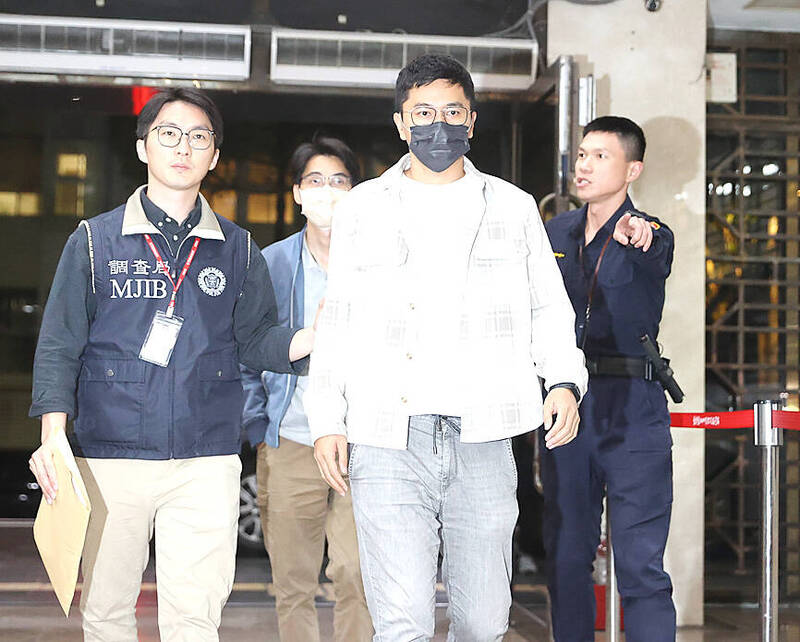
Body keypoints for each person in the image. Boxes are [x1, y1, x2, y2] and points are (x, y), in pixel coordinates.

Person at [306, 53, 588, 640]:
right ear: (401, 123)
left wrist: (563, 380)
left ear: (472, 121)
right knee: (402, 621)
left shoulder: (512, 206)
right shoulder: (362, 208)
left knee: (483, 622)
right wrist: (328, 419)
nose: (439, 125)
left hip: (484, 435)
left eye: (452, 112)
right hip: (387, 436)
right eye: (423, 113)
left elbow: (548, 306)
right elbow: (339, 321)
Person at [27, 88, 314, 642]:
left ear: (214, 156)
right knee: (107, 610)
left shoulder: (238, 249)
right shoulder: (94, 242)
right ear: (143, 147)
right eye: (169, 134)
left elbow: (256, 340)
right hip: (109, 456)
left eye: (199, 137)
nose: (184, 147)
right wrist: (53, 436)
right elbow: (60, 342)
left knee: (196, 618)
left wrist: (307, 341)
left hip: (205, 459)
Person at [541, 115, 677, 642]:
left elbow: (655, 244)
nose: (585, 165)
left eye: (601, 156)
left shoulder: (648, 232)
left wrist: (641, 232)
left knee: (641, 565)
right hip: (568, 404)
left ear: (632, 170)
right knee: (566, 555)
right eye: (582, 154)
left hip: (633, 407)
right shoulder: (554, 233)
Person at [240, 136, 372, 642]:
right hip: (293, 437)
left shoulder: (380, 260)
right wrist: (259, 425)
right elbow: (246, 347)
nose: (327, 191)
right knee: (293, 580)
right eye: (314, 181)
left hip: (365, 440)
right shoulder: (271, 263)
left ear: (355, 191)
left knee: (357, 573)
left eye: (339, 180)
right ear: (297, 192)